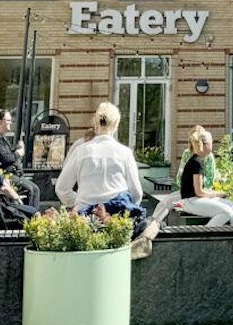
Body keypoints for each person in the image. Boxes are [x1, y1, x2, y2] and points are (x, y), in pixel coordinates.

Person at [56, 102, 161, 256]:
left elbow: (61, 189)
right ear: (117, 124)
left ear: (96, 123)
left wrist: (80, 203)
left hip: (86, 219)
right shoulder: (124, 152)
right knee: (154, 223)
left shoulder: (81, 151)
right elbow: (137, 193)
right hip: (117, 219)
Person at [178, 127, 233, 225]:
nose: (212, 145)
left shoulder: (198, 161)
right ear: (205, 145)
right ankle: (204, 233)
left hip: (195, 199)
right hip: (190, 202)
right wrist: (218, 194)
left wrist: (218, 194)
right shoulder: (196, 162)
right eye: (211, 142)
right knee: (226, 212)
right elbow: (199, 192)